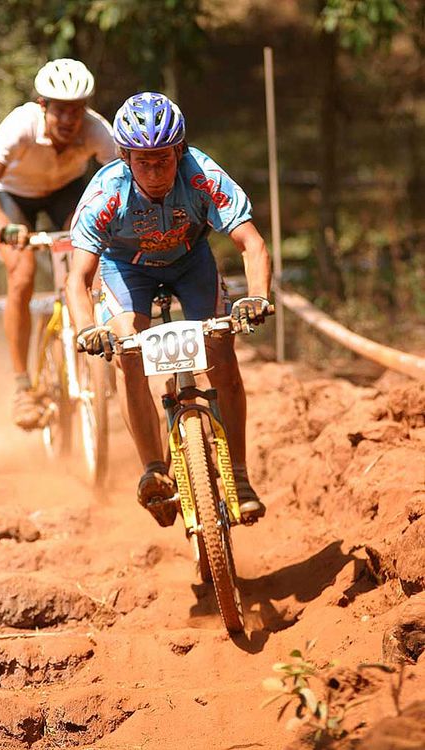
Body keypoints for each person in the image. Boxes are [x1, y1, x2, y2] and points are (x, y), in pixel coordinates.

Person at [66, 91, 272, 526]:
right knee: (128, 350)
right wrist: (87, 328)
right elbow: (78, 277)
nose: (156, 170)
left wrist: (256, 296)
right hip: (126, 269)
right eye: (143, 160)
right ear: (124, 156)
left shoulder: (201, 174)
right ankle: (153, 470)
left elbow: (251, 242)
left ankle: (238, 474)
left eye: (164, 158)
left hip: (190, 261)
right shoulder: (105, 191)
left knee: (221, 352)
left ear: (180, 150)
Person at [0, 58, 117, 429]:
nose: (69, 120)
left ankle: (99, 358)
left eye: (77, 111)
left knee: (94, 267)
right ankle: (23, 387)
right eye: (60, 110)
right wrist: (4, 228)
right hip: (15, 197)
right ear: (42, 105)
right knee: (22, 274)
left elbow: (123, 179)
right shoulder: (20, 125)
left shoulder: (98, 130)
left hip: (67, 194)